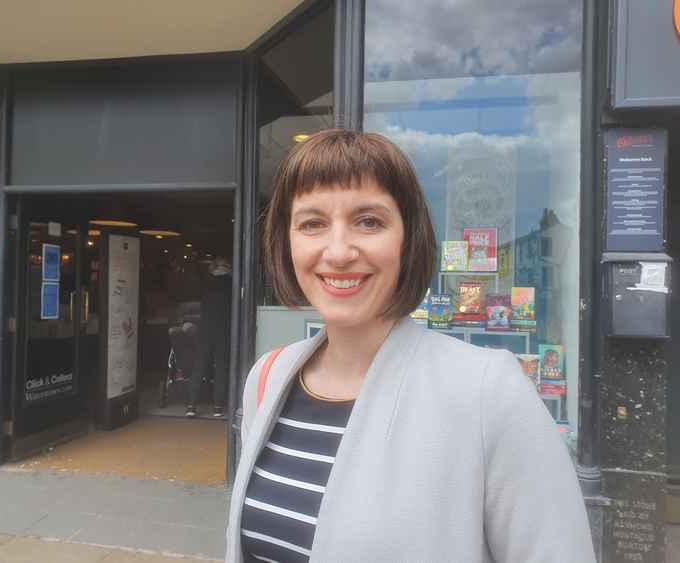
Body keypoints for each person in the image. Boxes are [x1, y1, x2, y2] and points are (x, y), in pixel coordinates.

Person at [226, 130, 595, 562]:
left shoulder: (487, 392)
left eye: (369, 221)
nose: (339, 251)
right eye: (312, 223)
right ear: (286, 242)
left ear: (408, 239)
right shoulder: (268, 378)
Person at [200, 256, 232, 418]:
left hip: (205, 329)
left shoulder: (206, 283)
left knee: (199, 365)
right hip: (224, 330)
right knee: (221, 368)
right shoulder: (230, 283)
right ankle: (218, 407)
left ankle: (190, 405)